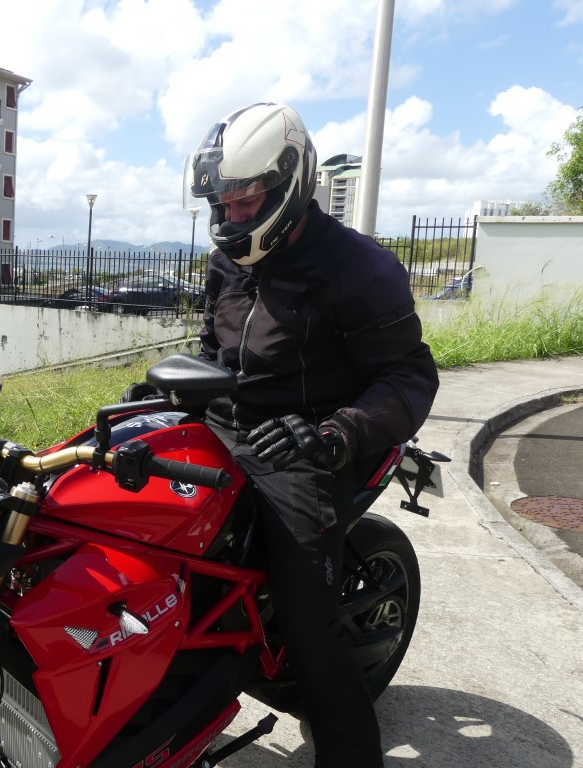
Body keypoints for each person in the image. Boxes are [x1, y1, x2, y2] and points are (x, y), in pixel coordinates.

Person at [187, 103, 439, 767]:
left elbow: (408, 378)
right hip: (225, 424)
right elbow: (213, 349)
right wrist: (166, 394)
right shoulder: (227, 260)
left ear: (290, 183)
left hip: (309, 446)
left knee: (307, 620)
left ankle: (351, 753)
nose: (233, 215)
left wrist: (333, 433)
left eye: (246, 200)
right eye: (222, 202)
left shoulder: (360, 267)